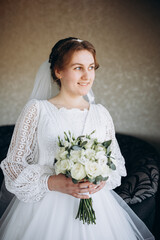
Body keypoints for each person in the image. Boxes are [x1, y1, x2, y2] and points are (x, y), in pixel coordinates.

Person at [0, 37, 155, 240]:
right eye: (77, 68)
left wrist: (100, 179)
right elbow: (13, 166)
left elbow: (115, 163)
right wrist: (51, 182)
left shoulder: (101, 113)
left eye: (91, 67)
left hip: (98, 210)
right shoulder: (36, 110)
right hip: (44, 210)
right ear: (58, 71)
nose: (87, 75)